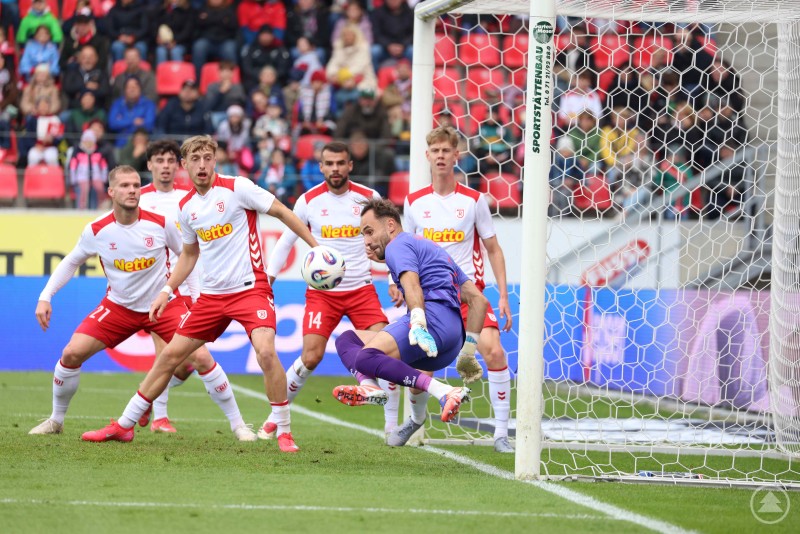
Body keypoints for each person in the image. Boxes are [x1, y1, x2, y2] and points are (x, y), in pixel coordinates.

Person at [81, 136, 319, 453]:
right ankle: (124, 425)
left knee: (264, 351)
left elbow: (283, 212)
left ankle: (284, 430)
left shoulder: (238, 188)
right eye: (196, 159)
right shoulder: (186, 207)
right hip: (211, 297)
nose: (202, 164)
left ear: (215, 160)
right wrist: (167, 290)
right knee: (169, 356)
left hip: (251, 290)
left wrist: (317, 248)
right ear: (185, 165)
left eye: (208, 157)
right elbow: (189, 255)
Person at [28, 165, 252, 442]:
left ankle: (239, 426)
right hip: (119, 307)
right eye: (124, 185)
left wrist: (193, 299)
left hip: (164, 306)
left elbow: (189, 257)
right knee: (72, 353)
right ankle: (56, 420)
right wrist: (45, 296)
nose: (132, 190)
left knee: (202, 357)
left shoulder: (160, 223)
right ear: (111, 191)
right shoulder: (97, 230)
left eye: (135, 185)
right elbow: (72, 261)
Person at [264, 142, 398, 439]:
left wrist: (392, 277)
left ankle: (391, 426)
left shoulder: (368, 198)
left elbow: (390, 239)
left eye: (340, 163)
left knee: (389, 352)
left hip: (361, 289)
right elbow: (286, 240)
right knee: (311, 356)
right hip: (322, 293)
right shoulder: (308, 201)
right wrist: (269, 278)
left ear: (350, 165)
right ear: (321, 166)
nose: (335, 168)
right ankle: (276, 417)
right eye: (329, 163)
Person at [402, 126, 515, 453]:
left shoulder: (475, 201)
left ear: (456, 156)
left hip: (469, 295)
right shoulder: (413, 203)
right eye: (434, 150)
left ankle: (501, 434)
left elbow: (493, 249)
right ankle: (416, 424)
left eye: (445, 151)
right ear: (427, 156)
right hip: (430, 297)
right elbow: (406, 250)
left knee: (494, 351)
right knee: (421, 365)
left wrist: (503, 295)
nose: (440, 156)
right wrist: (401, 286)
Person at [331, 198, 487, 434]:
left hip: (431, 321)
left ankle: (443, 391)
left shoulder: (398, 246)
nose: (367, 241)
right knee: (347, 339)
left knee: (365, 359)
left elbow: (412, 284)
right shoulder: (429, 248)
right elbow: (478, 301)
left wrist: (418, 323)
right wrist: (468, 352)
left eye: (370, 232)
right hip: (452, 338)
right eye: (363, 235)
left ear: (391, 225)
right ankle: (371, 387)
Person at [138, 139, 254, 436]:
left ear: (178, 166)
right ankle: (161, 416)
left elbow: (191, 251)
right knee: (177, 353)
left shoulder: (188, 199)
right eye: (158, 161)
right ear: (150, 165)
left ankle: (147, 397)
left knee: (180, 364)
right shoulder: (139, 199)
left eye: (169, 161)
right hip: (161, 288)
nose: (164, 166)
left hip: (200, 286)